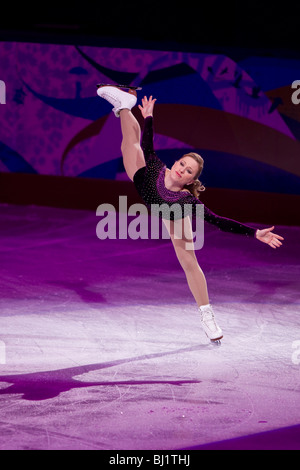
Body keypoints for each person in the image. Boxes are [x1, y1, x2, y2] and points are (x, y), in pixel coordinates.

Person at [97, 86, 284, 343]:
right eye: (182, 163)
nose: (182, 169)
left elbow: (218, 221)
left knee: (188, 261)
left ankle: (207, 316)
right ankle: (125, 104)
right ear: (175, 163)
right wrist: (149, 116)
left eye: (188, 171)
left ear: (190, 181)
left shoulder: (186, 202)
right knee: (131, 145)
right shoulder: (155, 169)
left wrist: (254, 233)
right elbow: (147, 144)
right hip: (144, 183)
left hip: (171, 212)